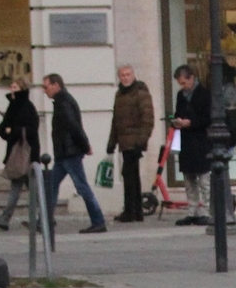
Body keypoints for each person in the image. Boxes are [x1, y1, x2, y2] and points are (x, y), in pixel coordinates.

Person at [40, 73, 107, 232]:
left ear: (56, 85)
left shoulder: (63, 102)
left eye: (46, 86)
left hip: (69, 152)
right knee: (51, 186)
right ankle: (44, 221)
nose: (45, 90)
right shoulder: (61, 101)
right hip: (64, 153)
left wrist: (85, 146)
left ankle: (98, 221)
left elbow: (74, 126)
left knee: (82, 187)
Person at [0, 79, 40, 231]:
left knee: (29, 189)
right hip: (18, 153)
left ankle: (43, 217)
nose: (12, 89)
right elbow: (4, 126)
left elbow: (30, 129)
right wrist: (7, 131)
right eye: (11, 86)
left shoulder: (26, 106)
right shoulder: (14, 105)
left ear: (22, 88)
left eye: (15, 87)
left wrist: (13, 131)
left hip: (26, 153)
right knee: (21, 188)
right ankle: (6, 218)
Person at [106, 64, 155, 223]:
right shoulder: (119, 94)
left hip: (134, 143)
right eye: (122, 75)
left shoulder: (141, 93)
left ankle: (132, 211)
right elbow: (116, 121)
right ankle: (133, 210)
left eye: (128, 74)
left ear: (133, 75)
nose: (125, 77)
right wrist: (111, 143)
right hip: (124, 142)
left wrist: (141, 142)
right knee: (129, 176)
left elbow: (148, 119)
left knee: (130, 175)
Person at [172, 63, 214, 227]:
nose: (182, 87)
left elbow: (208, 118)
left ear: (191, 78)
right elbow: (178, 113)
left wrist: (190, 122)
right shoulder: (180, 96)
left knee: (204, 180)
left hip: (201, 140)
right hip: (186, 141)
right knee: (189, 180)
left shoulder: (204, 94)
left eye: (184, 83)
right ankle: (192, 210)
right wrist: (177, 121)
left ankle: (209, 211)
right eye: (180, 84)